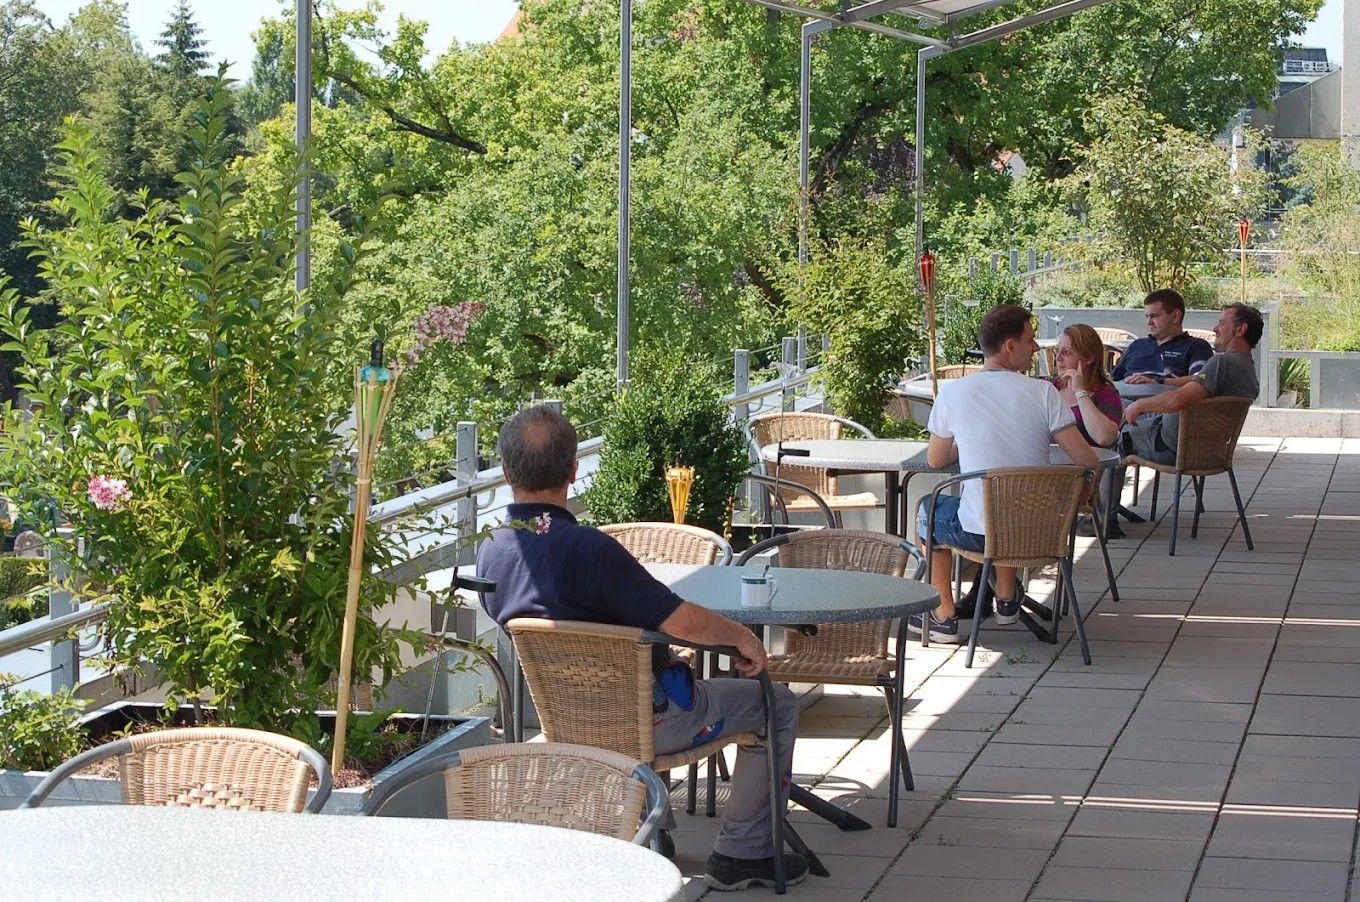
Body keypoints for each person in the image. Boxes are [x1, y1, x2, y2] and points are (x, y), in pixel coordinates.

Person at [475, 406, 804, 892]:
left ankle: (655, 833)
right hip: (650, 723)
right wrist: (741, 636)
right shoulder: (591, 550)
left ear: (506, 473)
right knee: (777, 704)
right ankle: (743, 853)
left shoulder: (492, 550)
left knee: (653, 676)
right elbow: (681, 620)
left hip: (566, 723)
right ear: (573, 470)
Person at [911, 305, 1100, 643]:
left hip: (980, 536)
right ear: (1010, 346)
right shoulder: (1044, 393)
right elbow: (1088, 461)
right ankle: (1006, 598)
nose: (1037, 348)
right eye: (1030, 340)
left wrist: (971, 440)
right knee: (1012, 501)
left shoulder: (953, 393)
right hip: (1042, 532)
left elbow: (937, 459)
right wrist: (1082, 496)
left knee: (929, 509)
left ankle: (943, 617)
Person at [1121, 303, 1263, 465]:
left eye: (1222, 323)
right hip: (1207, 450)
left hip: (1169, 446)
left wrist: (1139, 405)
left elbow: (1176, 401)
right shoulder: (1248, 370)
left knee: (1112, 435)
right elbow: (1193, 389)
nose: (1215, 329)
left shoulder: (1221, 363)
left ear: (1240, 329)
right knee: (1121, 413)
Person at [1112, 288, 1215, 386]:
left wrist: (1157, 382)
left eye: (1154, 316)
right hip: (1123, 395)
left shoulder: (1195, 346)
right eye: (1147, 317)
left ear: (1175, 316)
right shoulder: (1137, 345)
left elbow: (1203, 377)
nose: (1149, 322)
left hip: (1163, 396)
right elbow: (1113, 380)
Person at [1049, 323, 1123, 449]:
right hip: (1048, 460)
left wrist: (1080, 392)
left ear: (1089, 357)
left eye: (1066, 352)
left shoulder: (1106, 394)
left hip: (1088, 461)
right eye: (1057, 351)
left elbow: (1103, 437)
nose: (1058, 358)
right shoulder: (1051, 387)